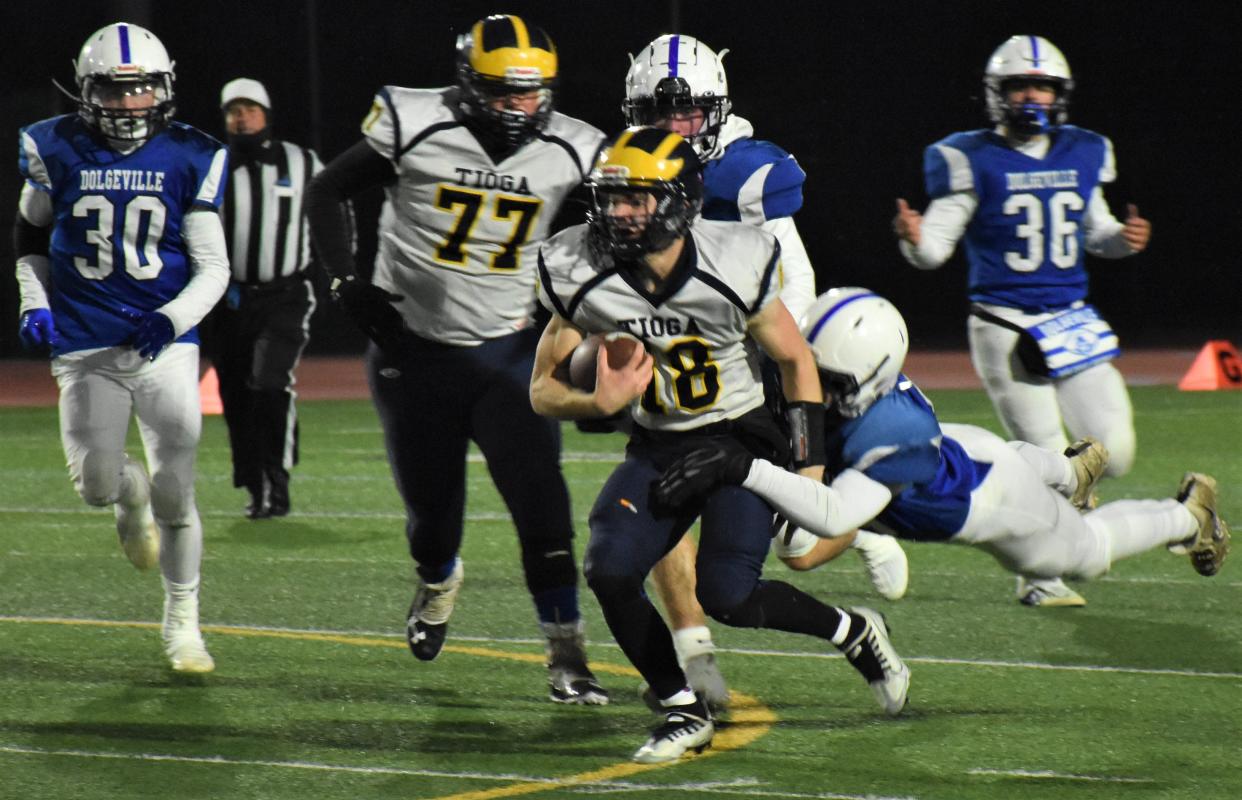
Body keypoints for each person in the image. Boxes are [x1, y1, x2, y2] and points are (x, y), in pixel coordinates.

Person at [531, 128, 909, 764]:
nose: (619, 213)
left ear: (680, 201)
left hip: (740, 438)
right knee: (609, 568)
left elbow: (794, 361)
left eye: (637, 200)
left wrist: (808, 464)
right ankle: (682, 708)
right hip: (658, 444)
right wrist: (597, 403)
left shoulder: (736, 259)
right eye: (611, 198)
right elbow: (542, 388)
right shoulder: (577, 265)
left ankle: (852, 630)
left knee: (728, 595)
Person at [305, 14, 608, 705]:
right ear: (469, 85)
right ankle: (438, 581)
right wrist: (345, 282)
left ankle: (567, 652)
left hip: (509, 356)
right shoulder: (417, 119)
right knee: (432, 520)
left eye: (530, 94)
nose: (518, 107)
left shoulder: (575, 147)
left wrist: (589, 332)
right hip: (412, 353)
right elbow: (327, 190)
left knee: (544, 510)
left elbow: (604, 245)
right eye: (503, 92)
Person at [619, 34, 909, 706]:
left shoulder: (746, 175)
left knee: (795, 550)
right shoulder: (627, 169)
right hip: (684, 367)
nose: (671, 129)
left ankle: (864, 519)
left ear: (715, 111)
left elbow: (785, 293)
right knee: (666, 499)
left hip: (755, 367)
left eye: (686, 113)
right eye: (656, 114)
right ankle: (694, 661)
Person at [655, 289, 1230, 620]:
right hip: (966, 452)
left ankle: (1189, 514)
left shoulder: (894, 429)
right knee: (1001, 454)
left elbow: (826, 523)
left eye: (829, 381)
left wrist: (743, 468)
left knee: (1081, 555)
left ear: (868, 378)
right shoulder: (864, 389)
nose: (811, 390)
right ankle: (1069, 470)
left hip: (991, 503)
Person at [892, 35, 1152, 607]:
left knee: (1116, 450)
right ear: (997, 95)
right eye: (1019, 86)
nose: (1031, 96)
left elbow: (1097, 233)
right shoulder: (968, 156)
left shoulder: (1084, 150)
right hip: (1005, 320)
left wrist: (1123, 242)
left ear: (1060, 95)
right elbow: (935, 250)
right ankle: (1040, 573)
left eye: (1042, 86)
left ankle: (1049, 529)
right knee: (1047, 449)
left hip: (1072, 321)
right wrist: (914, 240)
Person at [14, 22, 229, 672]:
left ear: (163, 89)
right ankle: (127, 499)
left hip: (164, 346)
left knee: (177, 491)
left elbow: (213, 267)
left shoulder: (193, 152)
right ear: (87, 91)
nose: (131, 105)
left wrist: (172, 319)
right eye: (115, 89)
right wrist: (35, 303)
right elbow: (30, 245)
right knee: (98, 487)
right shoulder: (53, 148)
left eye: (142, 91)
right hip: (84, 344)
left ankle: (183, 626)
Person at [211, 78, 322, 519]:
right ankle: (253, 483)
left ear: (266, 114)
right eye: (233, 110)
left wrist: (333, 273)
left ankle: (277, 479)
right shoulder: (211, 165)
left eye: (250, 109)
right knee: (235, 392)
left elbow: (334, 212)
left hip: (285, 294)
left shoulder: (302, 162)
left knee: (268, 383)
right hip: (227, 300)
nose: (242, 117)